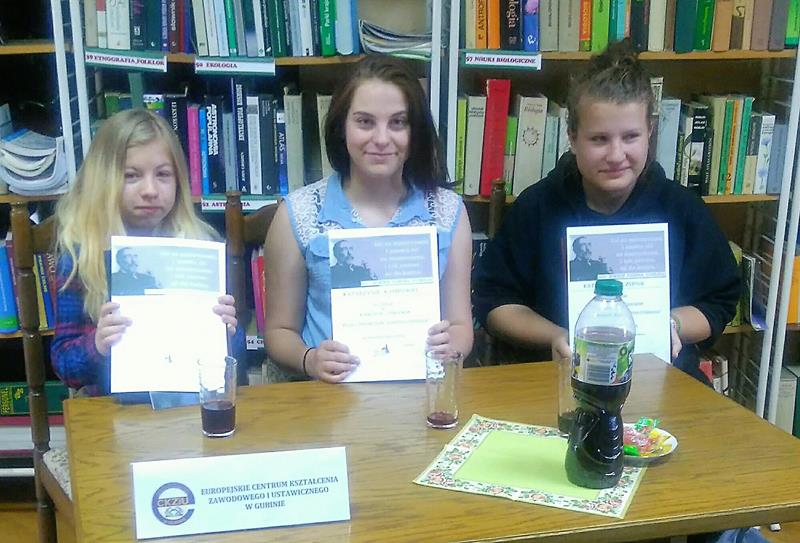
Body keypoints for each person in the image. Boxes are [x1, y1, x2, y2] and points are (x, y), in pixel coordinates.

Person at [472, 39, 740, 383]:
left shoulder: (682, 209)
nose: (616, 155)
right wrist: (557, 336)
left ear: (650, 132)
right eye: (599, 139)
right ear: (572, 137)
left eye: (630, 137)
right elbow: (495, 303)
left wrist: (670, 324)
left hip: (659, 379)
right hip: (556, 381)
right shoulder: (537, 207)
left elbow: (719, 301)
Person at [264, 54, 473, 384]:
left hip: (422, 391)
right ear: (341, 127)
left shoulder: (448, 212)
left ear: (415, 131)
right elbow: (279, 331)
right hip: (327, 396)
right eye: (365, 122)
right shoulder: (299, 213)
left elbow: (461, 326)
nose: (381, 139)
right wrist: (310, 359)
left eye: (398, 122)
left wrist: (452, 348)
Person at [51, 109, 239, 396]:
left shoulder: (199, 248)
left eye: (163, 175)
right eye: (131, 176)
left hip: (187, 402)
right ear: (103, 180)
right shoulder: (80, 256)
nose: (150, 190)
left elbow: (229, 360)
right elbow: (63, 364)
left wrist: (227, 331)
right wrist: (97, 345)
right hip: (110, 409)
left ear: (179, 181)